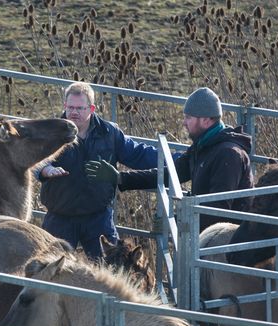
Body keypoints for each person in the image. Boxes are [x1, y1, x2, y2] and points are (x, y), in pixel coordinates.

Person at [85, 87, 253, 231]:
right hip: (209, 239)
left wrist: (178, 224)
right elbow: (170, 173)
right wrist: (120, 178)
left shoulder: (228, 154)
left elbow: (218, 210)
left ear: (207, 120)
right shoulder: (203, 146)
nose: (183, 123)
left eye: (188, 118)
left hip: (227, 246)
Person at [38, 82, 160, 260]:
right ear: (64, 106)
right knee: (49, 268)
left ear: (92, 108)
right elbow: (33, 160)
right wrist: (44, 170)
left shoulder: (109, 133)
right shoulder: (50, 132)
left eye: (80, 108)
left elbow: (138, 154)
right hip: (60, 216)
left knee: (111, 266)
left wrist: (175, 160)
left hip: (97, 217)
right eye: (70, 107)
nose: (74, 112)